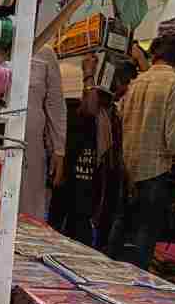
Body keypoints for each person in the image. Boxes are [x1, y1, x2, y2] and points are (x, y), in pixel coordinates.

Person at [107, 37, 175, 268]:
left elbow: (121, 118)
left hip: (128, 166)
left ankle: (106, 272)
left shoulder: (136, 83)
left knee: (121, 222)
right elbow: (174, 134)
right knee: (146, 230)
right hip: (154, 169)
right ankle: (138, 280)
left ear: (153, 55)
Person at [54, 54, 126, 249]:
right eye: (123, 82)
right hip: (78, 186)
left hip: (96, 188)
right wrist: (89, 75)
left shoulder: (111, 114)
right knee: (75, 229)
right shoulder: (85, 110)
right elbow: (90, 109)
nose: (125, 88)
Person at [17, 46, 66, 220]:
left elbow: (56, 104)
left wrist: (59, 149)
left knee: (28, 211)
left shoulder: (45, 53)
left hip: (30, 150)